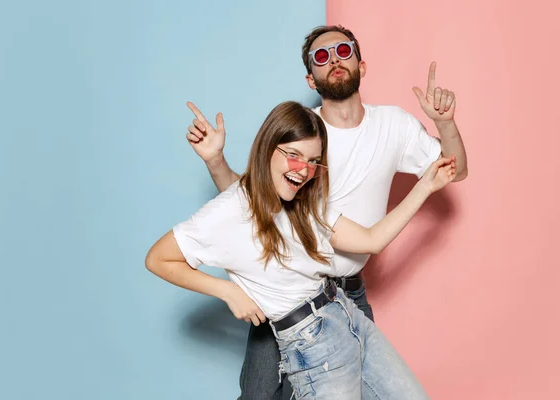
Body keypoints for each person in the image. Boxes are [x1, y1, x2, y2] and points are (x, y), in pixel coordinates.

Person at [185, 25, 468, 399]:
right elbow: (255, 202)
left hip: (348, 297)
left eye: (343, 50)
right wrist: (217, 161)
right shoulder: (304, 135)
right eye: (321, 56)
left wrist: (444, 124)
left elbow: (454, 170)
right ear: (311, 78)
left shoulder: (394, 126)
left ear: (361, 65)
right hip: (291, 294)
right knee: (260, 395)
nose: (334, 58)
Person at [147, 101, 456, 399]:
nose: (303, 170)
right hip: (312, 346)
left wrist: (425, 186)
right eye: (293, 155)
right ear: (268, 148)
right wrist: (227, 291)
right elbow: (158, 258)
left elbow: (371, 240)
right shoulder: (229, 210)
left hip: (349, 319)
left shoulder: (303, 205)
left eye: (312, 161)